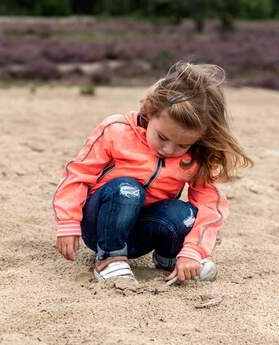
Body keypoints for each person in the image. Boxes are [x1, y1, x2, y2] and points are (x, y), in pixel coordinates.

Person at [52, 61, 253, 283]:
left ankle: (171, 258)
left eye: (182, 145)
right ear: (149, 111)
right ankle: (109, 259)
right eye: (163, 137)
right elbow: (77, 174)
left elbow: (210, 206)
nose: (168, 149)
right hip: (100, 226)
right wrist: (67, 222)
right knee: (127, 189)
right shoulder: (116, 130)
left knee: (184, 213)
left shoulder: (196, 157)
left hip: (142, 234)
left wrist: (194, 251)